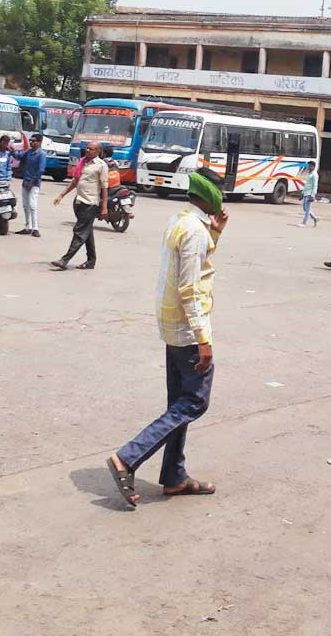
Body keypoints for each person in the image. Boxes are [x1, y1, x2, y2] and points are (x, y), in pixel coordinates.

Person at [105, 172, 228, 508]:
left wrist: (215, 232)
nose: (223, 196)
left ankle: (174, 476)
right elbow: (190, 288)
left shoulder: (182, 220)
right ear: (209, 196)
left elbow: (196, 267)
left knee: (178, 404)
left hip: (172, 324)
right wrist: (203, 339)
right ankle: (127, 458)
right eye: (219, 191)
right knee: (194, 402)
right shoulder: (194, 231)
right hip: (188, 329)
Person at [51, 141, 109, 271]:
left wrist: (104, 206)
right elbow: (75, 181)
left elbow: (105, 187)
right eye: (87, 148)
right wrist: (62, 195)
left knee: (79, 231)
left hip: (90, 203)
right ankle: (91, 261)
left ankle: (64, 260)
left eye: (91, 149)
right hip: (79, 202)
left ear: (98, 151)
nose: (87, 151)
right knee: (86, 232)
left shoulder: (101, 165)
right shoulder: (83, 162)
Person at [15, 133, 47, 236]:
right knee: (25, 205)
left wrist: (32, 182)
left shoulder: (41, 154)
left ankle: (35, 228)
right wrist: (11, 151)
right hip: (25, 181)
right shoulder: (28, 152)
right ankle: (28, 226)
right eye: (31, 141)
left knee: (33, 205)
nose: (32, 143)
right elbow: (19, 157)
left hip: (34, 183)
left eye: (34, 141)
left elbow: (41, 170)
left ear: (39, 142)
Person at [298, 161, 320, 227]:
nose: (309, 167)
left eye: (310, 166)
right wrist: (302, 193)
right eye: (308, 166)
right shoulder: (308, 174)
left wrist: (313, 195)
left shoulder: (315, 175)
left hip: (310, 194)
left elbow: (315, 185)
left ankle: (304, 222)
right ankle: (315, 218)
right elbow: (306, 184)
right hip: (306, 192)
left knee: (307, 208)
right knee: (305, 208)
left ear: (313, 167)